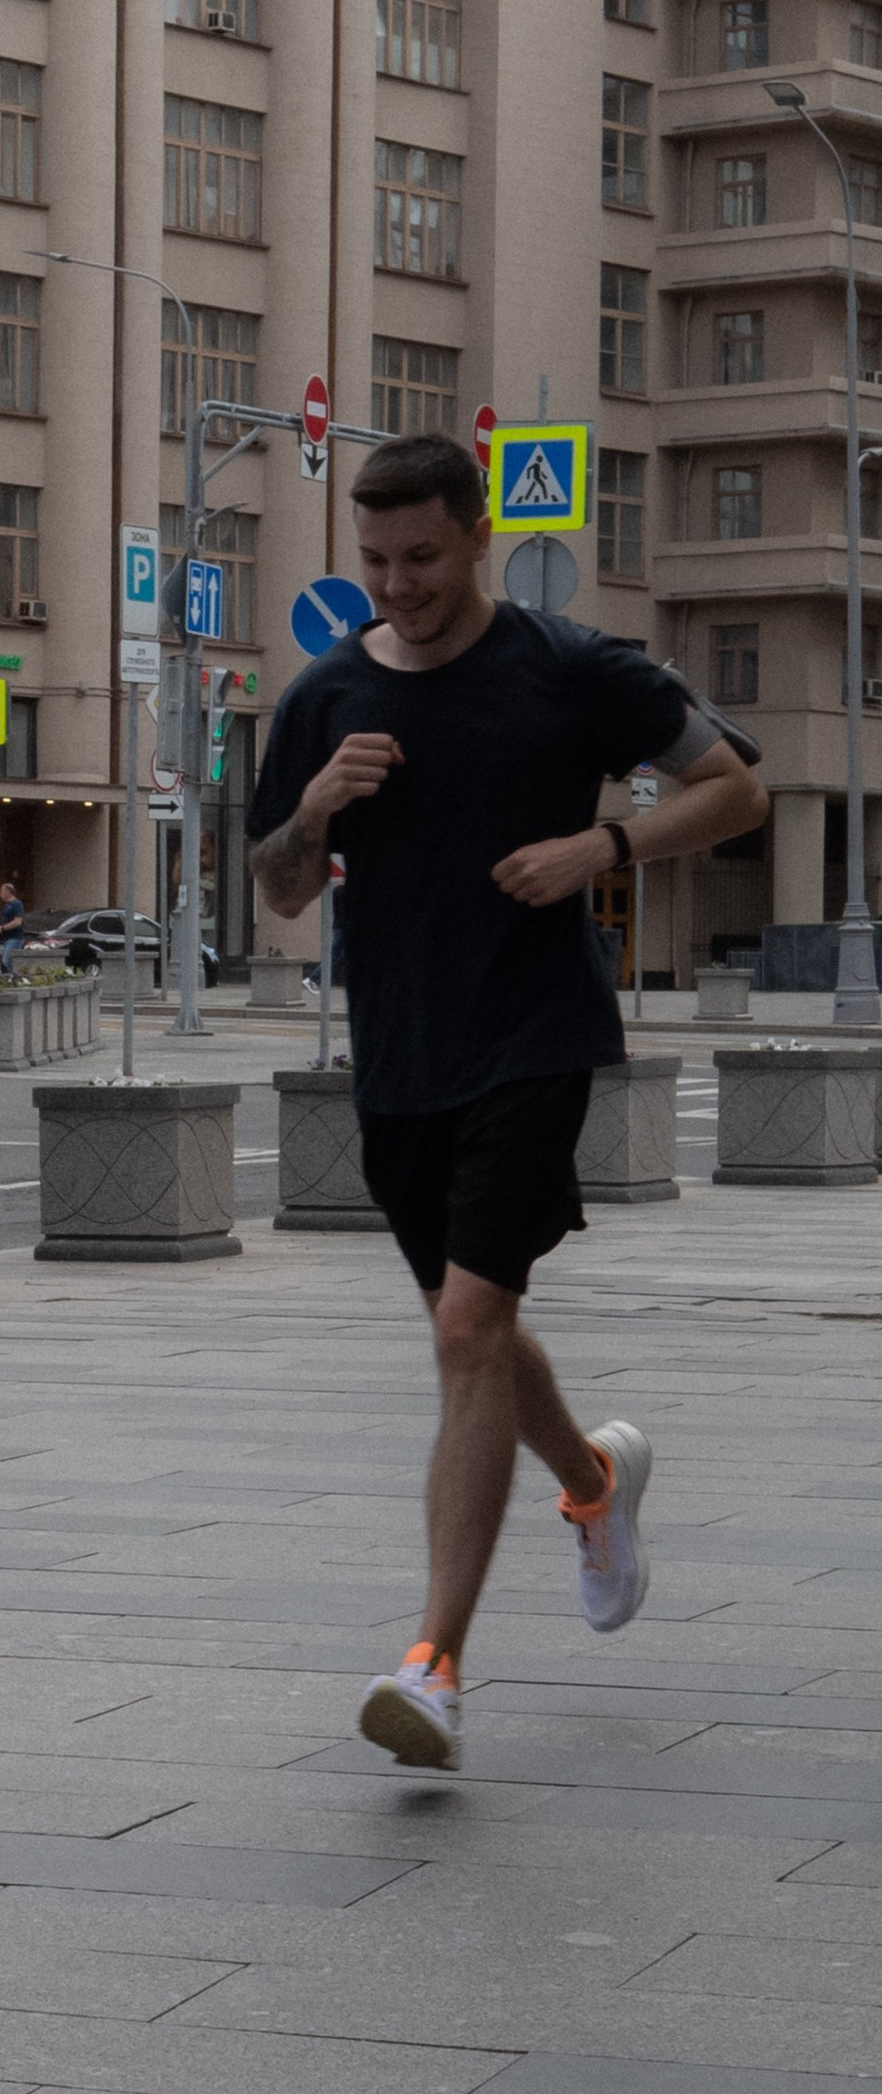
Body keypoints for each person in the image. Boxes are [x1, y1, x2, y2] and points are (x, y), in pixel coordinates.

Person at [248, 431, 769, 1775]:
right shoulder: (326, 697)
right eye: (374, 562)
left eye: (421, 557)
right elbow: (280, 890)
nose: (399, 584)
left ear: (476, 537)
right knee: (465, 1334)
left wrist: (603, 843)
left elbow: (735, 787)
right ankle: (594, 1484)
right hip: (401, 1061)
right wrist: (311, 811)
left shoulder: (564, 667)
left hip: (535, 1036)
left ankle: (434, 1667)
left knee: (471, 1327)